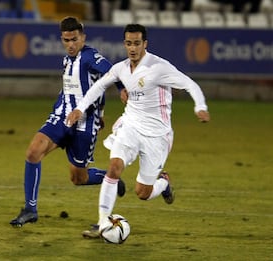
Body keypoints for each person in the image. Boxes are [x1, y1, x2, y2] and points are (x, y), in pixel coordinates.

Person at [66, 24, 210, 238]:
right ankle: (103, 222)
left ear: (145, 44)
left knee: (143, 192)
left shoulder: (158, 67)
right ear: (124, 44)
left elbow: (189, 84)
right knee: (114, 167)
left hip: (157, 136)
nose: (132, 48)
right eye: (128, 44)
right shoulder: (122, 68)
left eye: (136, 44)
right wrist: (80, 108)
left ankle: (164, 183)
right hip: (131, 126)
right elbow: (99, 86)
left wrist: (200, 106)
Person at [10, 16, 127, 227]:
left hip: (84, 123)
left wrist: (121, 90)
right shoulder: (66, 60)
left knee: (78, 178)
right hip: (61, 117)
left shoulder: (90, 57)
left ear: (83, 37)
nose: (70, 45)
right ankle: (30, 209)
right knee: (33, 152)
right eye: (66, 40)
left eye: (74, 39)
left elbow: (113, 73)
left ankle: (109, 177)